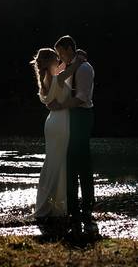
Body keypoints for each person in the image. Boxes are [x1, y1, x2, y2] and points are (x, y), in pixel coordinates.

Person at [30, 46, 87, 221]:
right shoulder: (57, 77)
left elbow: (63, 68)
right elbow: (70, 68)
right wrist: (78, 59)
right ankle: (55, 206)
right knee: (59, 162)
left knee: (53, 162)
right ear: (51, 61)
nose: (60, 61)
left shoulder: (48, 77)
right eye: (57, 59)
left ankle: (53, 204)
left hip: (52, 122)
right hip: (61, 122)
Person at [54, 34, 96, 238]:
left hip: (82, 116)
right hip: (69, 118)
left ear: (70, 48)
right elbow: (58, 77)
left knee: (82, 162)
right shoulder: (71, 65)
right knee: (70, 162)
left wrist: (61, 106)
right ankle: (73, 208)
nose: (59, 56)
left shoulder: (85, 68)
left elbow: (82, 98)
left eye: (61, 52)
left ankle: (87, 207)